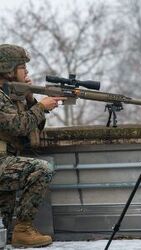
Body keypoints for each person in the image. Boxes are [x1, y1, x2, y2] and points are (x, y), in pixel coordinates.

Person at [0, 44, 65, 248]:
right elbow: (17, 126)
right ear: (8, 69)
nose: (27, 71)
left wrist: (29, 98)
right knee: (41, 169)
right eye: (22, 67)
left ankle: (16, 233)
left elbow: (35, 127)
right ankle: (23, 230)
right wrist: (40, 106)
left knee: (4, 228)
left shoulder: (9, 95)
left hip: (5, 162)